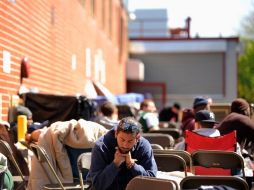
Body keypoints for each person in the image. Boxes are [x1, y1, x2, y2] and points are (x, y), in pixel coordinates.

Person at [87, 117, 158, 190]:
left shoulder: (144, 146)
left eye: (130, 141)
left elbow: (151, 179)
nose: (125, 145)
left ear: (137, 138)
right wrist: (115, 164)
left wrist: (132, 165)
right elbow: (97, 185)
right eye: (122, 140)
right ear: (116, 134)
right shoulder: (101, 147)